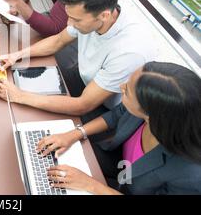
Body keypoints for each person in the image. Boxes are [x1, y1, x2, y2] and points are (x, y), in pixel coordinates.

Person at [0, 0, 156, 123]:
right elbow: (58, 40)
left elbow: (83, 105)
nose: (69, 24)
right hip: (86, 79)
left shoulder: (128, 52)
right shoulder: (95, 13)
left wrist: (18, 96)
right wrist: (17, 55)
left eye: (76, 20)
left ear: (104, 16)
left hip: (109, 111)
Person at [36, 62, 201, 194]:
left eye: (127, 91)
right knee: (49, 160)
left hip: (125, 188)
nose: (122, 86)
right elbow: (116, 115)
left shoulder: (190, 176)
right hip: (118, 163)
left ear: (151, 114)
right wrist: (74, 134)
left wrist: (91, 185)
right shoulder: (154, 113)